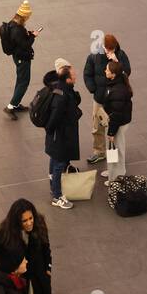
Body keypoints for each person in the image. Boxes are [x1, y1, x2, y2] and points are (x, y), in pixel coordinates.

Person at [83, 33, 131, 166]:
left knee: (113, 129)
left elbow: (127, 72)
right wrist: (93, 89)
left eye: (111, 49)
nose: (109, 52)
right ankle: (99, 152)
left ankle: (113, 161)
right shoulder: (94, 56)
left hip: (114, 99)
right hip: (100, 98)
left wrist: (116, 62)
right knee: (97, 127)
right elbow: (87, 73)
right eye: (107, 49)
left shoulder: (121, 56)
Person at [44, 59, 82, 210]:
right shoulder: (62, 95)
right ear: (67, 79)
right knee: (59, 162)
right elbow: (56, 116)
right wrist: (51, 129)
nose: (76, 75)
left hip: (57, 134)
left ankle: (53, 183)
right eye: (73, 74)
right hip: (61, 134)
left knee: (54, 159)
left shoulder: (63, 88)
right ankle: (57, 196)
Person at [2, 2, 38, 119]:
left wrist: (28, 34)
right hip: (22, 58)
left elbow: (19, 41)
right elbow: (25, 45)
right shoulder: (18, 29)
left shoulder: (12, 25)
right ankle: (11, 106)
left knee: (20, 80)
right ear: (24, 17)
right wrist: (33, 36)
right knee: (24, 82)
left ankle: (16, 104)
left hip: (18, 57)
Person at [101, 56, 133, 182]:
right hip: (116, 122)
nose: (105, 71)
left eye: (107, 70)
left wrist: (111, 132)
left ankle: (116, 178)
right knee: (113, 149)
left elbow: (117, 114)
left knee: (116, 150)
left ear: (113, 74)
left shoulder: (118, 91)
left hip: (116, 123)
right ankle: (113, 171)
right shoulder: (115, 84)